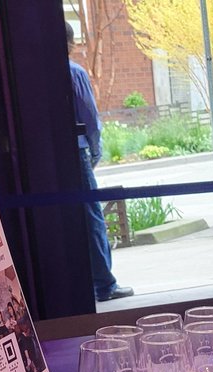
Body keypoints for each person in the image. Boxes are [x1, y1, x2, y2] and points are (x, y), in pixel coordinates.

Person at [66, 23, 133, 305]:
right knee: (92, 216)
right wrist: (95, 152)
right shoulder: (74, 72)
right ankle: (104, 284)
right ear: (70, 43)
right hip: (78, 151)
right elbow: (89, 118)